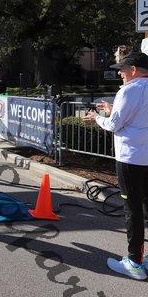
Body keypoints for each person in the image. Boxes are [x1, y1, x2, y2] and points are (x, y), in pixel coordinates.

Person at [82, 52, 148, 280]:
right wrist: (113, 111)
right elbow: (137, 117)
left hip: (130, 159)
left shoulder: (128, 90)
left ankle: (134, 262)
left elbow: (113, 125)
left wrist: (97, 118)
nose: (119, 73)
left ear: (134, 69)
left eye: (122, 68)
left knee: (133, 210)